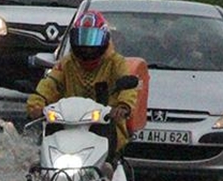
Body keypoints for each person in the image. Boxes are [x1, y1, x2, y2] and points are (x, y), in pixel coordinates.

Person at [26, 10, 141, 156]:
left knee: (108, 165)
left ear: (105, 38)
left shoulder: (116, 63)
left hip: (104, 124)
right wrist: (36, 103)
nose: (87, 47)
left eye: (93, 39)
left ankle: (108, 174)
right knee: (40, 159)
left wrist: (123, 106)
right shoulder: (67, 63)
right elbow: (50, 83)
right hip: (67, 123)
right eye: (82, 39)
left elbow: (128, 87)